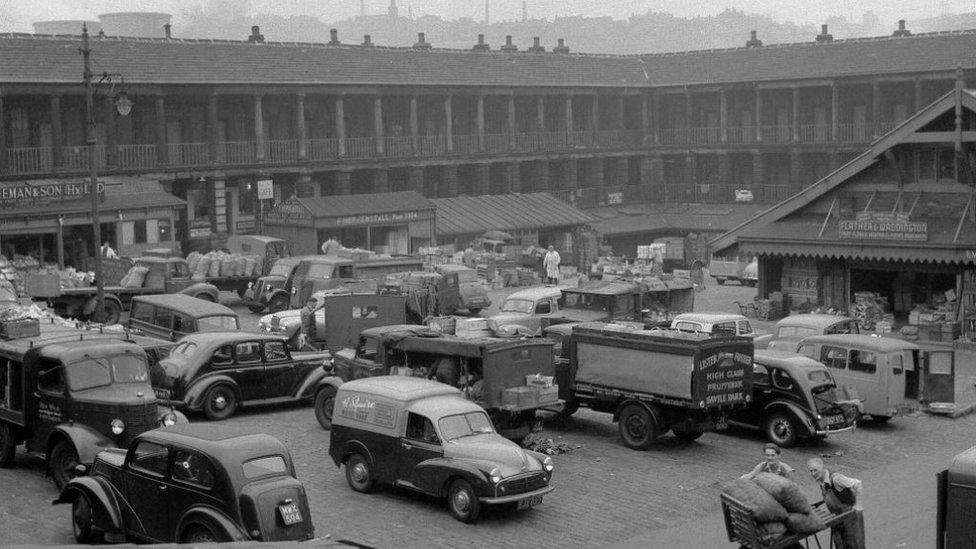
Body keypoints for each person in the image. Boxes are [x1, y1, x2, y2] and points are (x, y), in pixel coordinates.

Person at [808, 457, 865, 549]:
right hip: (837, 519)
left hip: (850, 518)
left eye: (815, 470)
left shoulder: (836, 478)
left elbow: (858, 484)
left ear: (823, 468)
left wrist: (858, 505)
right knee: (840, 545)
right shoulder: (821, 480)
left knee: (854, 545)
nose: (813, 473)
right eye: (811, 471)